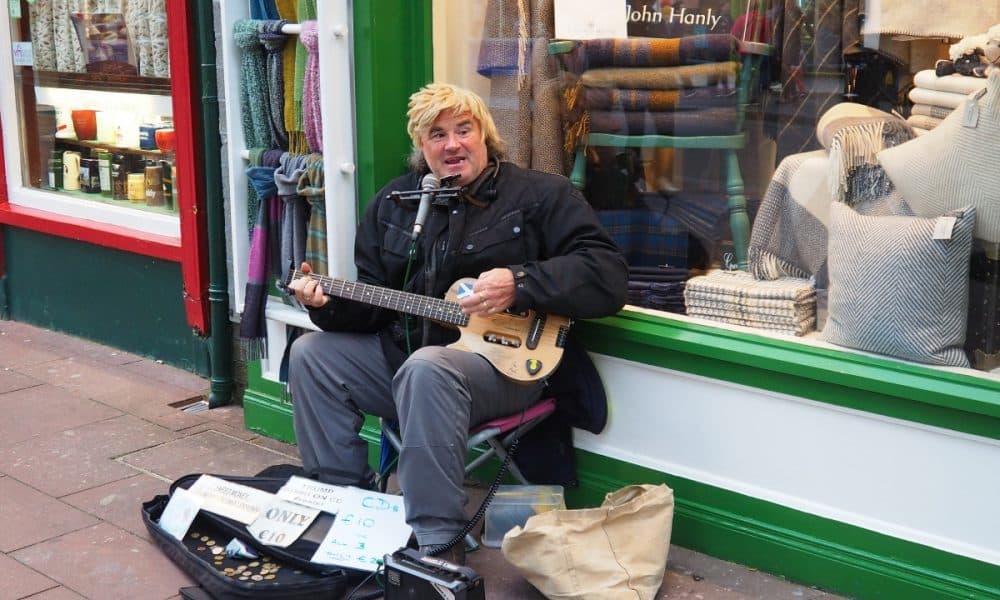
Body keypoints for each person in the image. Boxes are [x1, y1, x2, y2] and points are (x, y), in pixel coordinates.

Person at [286, 82, 628, 564]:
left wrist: (521, 281)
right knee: (310, 355)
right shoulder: (395, 204)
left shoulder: (539, 195)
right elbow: (371, 306)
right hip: (408, 364)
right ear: (421, 148)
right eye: (437, 135)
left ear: (485, 135)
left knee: (429, 368)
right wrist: (323, 305)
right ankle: (347, 506)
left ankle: (437, 545)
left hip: (505, 369)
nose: (452, 145)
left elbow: (608, 274)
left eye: (463, 130)